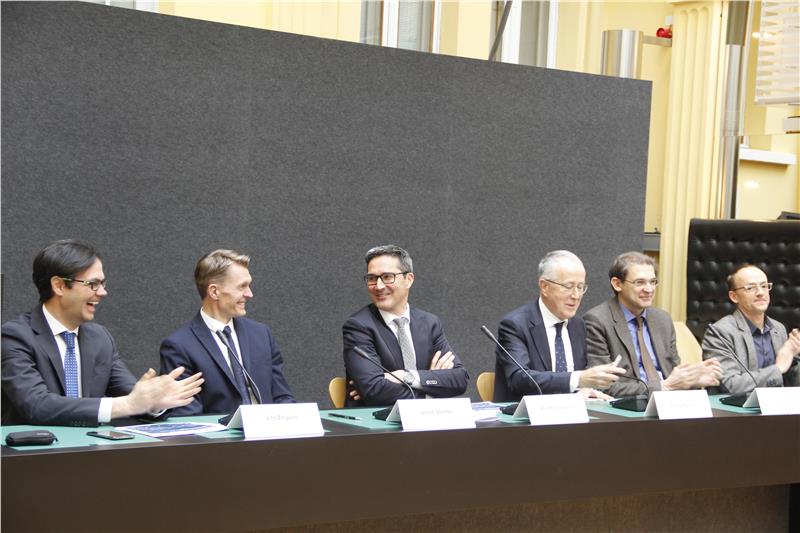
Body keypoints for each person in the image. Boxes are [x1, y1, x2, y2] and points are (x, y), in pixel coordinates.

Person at [1, 240, 203, 426]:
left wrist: (154, 401)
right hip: (33, 451)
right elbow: (36, 405)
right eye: (93, 284)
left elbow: (132, 394)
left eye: (102, 284)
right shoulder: (15, 336)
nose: (102, 292)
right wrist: (128, 404)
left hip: (91, 449)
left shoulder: (99, 338)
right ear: (59, 286)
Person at [160, 249, 295, 415]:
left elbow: (282, 396)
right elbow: (188, 417)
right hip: (220, 432)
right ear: (214, 292)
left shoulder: (261, 334)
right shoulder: (179, 346)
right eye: (242, 287)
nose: (249, 294)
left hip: (269, 430)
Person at [342, 245, 469, 406]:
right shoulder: (358, 326)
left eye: (387, 277)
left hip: (427, 418)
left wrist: (405, 376)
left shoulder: (429, 323)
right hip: (379, 419)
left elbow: (460, 379)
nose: (379, 286)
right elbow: (374, 390)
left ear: (408, 279)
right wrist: (432, 389)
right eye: (372, 278)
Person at [584, 251, 721, 398]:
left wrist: (693, 380)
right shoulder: (597, 320)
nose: (649, 289)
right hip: (630, 406)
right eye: (640, 282)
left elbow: (673, 373)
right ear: (617, 284)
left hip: (670, 401)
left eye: (653, 281)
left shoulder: (662, 319)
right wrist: (664, 386)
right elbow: (602, 386)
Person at [493, 250, 624, 401]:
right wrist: (578, 379)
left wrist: (587, 390)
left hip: (572, 411)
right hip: (528, 412)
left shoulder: (578, 325)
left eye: (580, 287)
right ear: (544, 286)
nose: (576, 295)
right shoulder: (515, 325)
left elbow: (577, 380)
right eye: (568, 286)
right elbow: (519, 378)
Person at [701, 264, 800, 393]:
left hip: (777, 404)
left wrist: (793, 359)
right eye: (751, 288)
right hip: (738, 406)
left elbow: (789, 382)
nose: (760, 293)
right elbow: (730, 385)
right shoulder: (719, 332)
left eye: (764, 286)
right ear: (734, 296)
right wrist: (778, 368)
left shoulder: (778, 328)